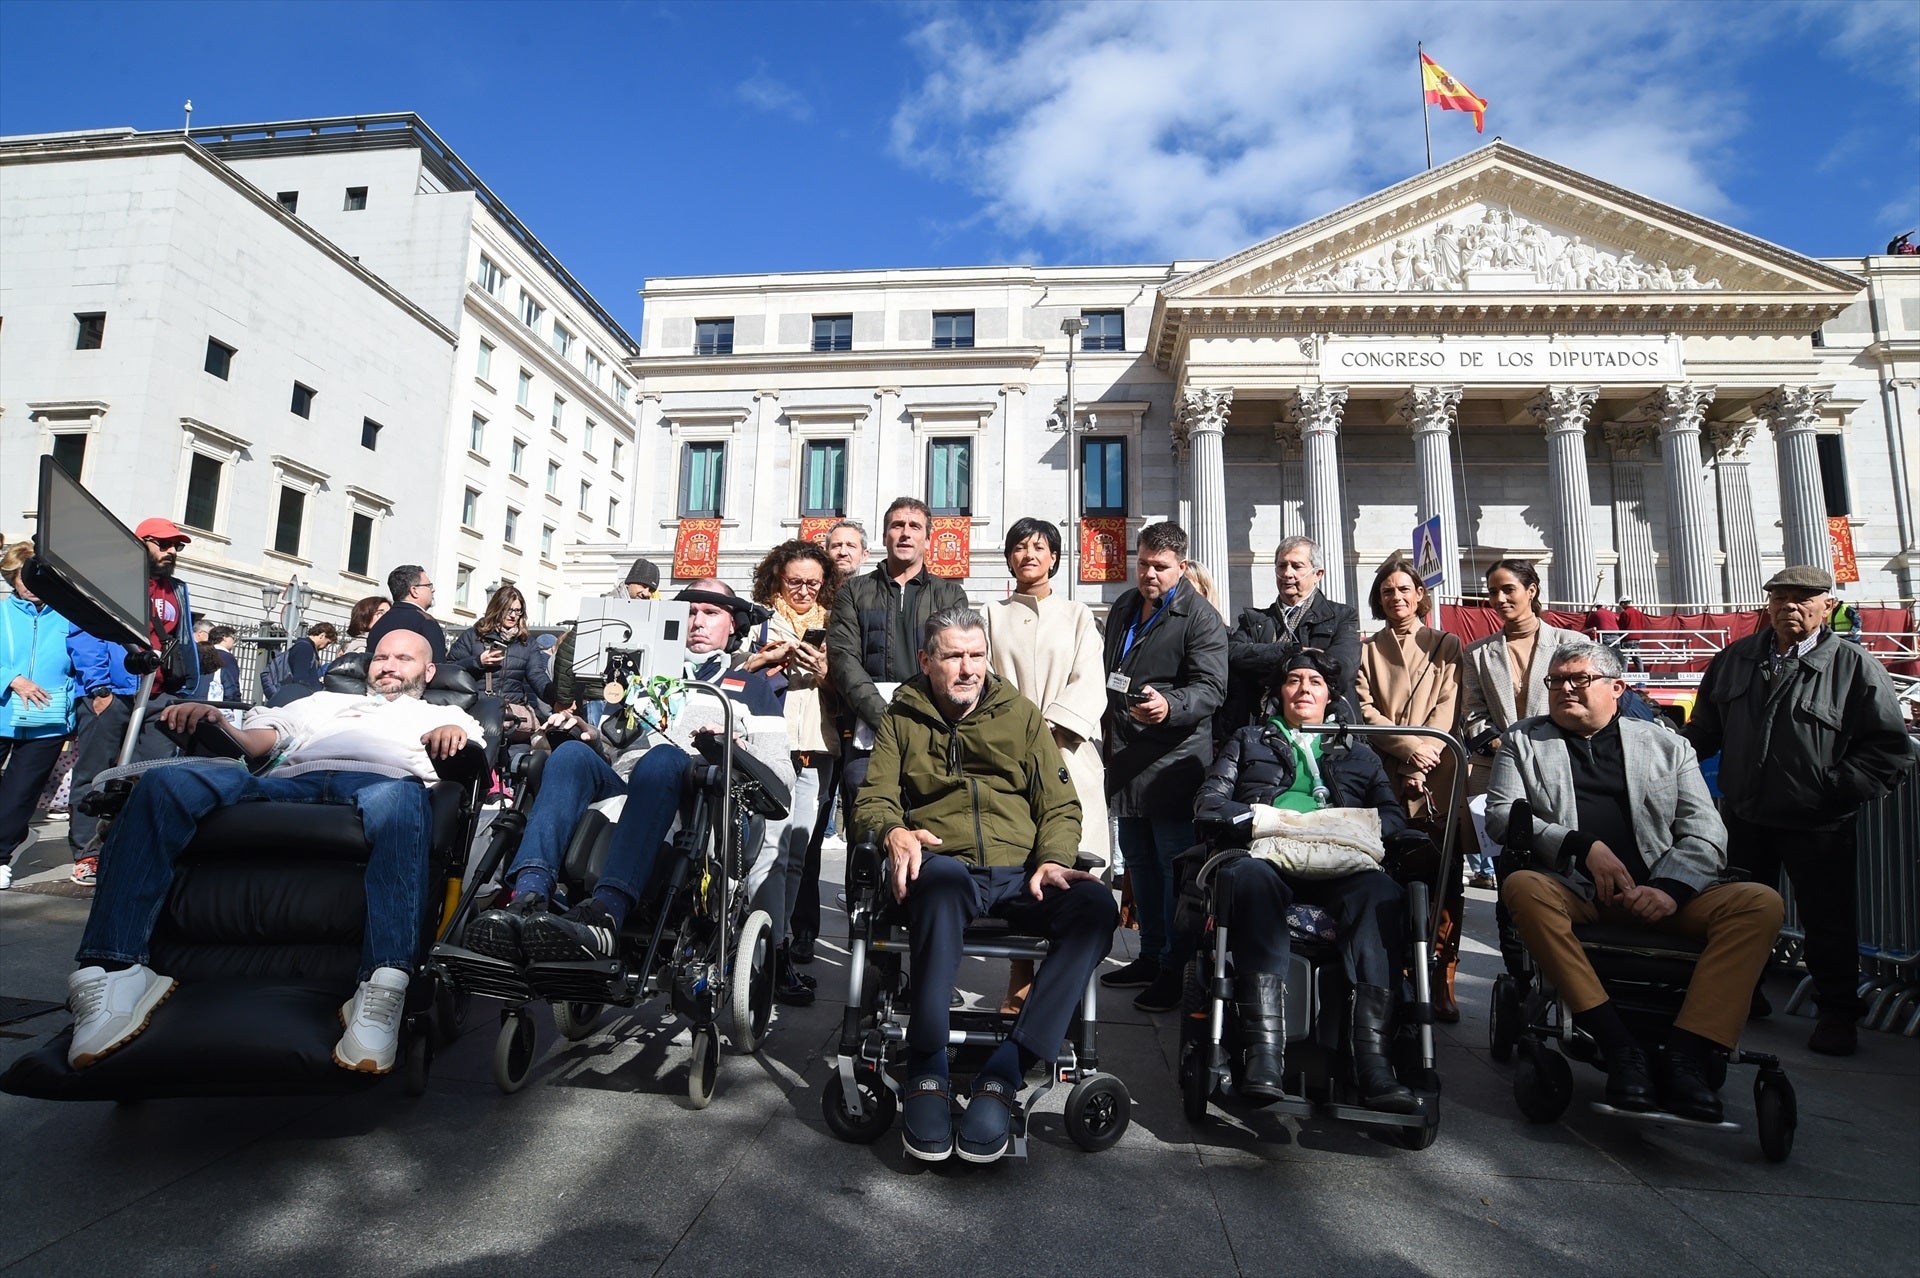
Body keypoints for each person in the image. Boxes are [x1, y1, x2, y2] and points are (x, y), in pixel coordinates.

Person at [63, 629, 482, 1074]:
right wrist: (215, 722)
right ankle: (113, 969)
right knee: (164, 784)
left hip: (382, 784)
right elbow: (254, 745)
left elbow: (465, 747)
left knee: (405, 802)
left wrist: (452, 731)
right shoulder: (320, 702)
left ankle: (383, 982)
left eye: (404, 658)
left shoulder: (445, 713)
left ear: (429, 671)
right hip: (286, 782)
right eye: (381, 656)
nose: (389, 665)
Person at [854, 606, 1113, 1164]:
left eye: (976, 655)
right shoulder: (902, 716)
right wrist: (893, 831)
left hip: (1021, 873)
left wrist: (1053, 859)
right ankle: (927, 1066)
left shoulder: (1018, 715)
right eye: (953, 656)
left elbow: (1061, 804)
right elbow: (872, 800)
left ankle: (1008, 1070)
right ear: (926, 661)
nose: (968, 668)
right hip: (943, 868)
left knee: (1094, 907)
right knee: (941, 880)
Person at [1488, 642, 1785, 1122]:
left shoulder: (1667, 745)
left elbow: (1707, 833)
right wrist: (1580, 845)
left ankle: (1688, 1053)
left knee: (1761, 903)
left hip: (1663, 894)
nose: (1564, 689)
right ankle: (1618, 1043)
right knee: (1522, 886)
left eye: (1578, 679)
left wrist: (1669, 888)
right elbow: (1503, 816)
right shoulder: (1524, 742)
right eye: (1557, 681)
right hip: (1576, 891)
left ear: (1616, 688)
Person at [464, 580, 792, 965]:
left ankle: (607, 912)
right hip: (623, 784)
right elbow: (608, 748)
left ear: (733, 625)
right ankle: (527, 898)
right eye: (687, 612)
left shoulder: (750, 689)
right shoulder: (638, 679)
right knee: (570, 754)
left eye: (710, 613)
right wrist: (582, 733)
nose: (696, 622)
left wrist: (735, 745)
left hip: (696, 797)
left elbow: (781, 774)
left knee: (664, 759)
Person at [1685, 565, 1916, 1056]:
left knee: (1827, 921)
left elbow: (1889, 747)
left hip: (1819, 820)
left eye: (1804, 598)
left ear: (1826, 607)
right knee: (1738, 914)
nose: (1791, 605)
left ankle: (1837, 1012)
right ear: (1767, 605)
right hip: (1746, 814)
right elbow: (1702, 733)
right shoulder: (1734, 660)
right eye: (1782, 597)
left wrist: (1835, 789)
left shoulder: (1853, 665)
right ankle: (1743, 995)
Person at [1196, 651, 1420, 1112]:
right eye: (1293, 680)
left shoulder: (1359, 751)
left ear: (1330, 696)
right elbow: (1210, 803)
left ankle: (1373, 1063)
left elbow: (1392, 816)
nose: (1303, 689)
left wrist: (1343, 827)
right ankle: (1264, 1056)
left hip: (1345, 865)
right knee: (1250, 880)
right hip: (1269, 857)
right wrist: (1266, 819)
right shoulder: (1248, 740)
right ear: (1279, 692)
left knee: (1382, 893)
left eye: (1315, 682)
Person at [1100, 521, 1229, 1013]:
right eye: (1143, 563)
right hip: (1128, 758)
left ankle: (1176, 967)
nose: (1149, 573)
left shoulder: (1200, 617)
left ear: (1181, 567)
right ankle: (1150, 955)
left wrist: (1170, 704)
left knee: (1174, 868)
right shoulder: (1125, 607)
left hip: (1174, 761)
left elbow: (1212, 688)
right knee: (1138, 864)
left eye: (1160, 566)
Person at [984, 518, 1110, 1014]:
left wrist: (1053, 729)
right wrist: (1017, 733)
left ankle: (1065, 985)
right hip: (1008, 757)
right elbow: (986, 680)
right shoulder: (990, 615)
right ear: (1010, 558)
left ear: (1055, 557)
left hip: (1069, 753)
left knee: (1074, 864)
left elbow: (1089, 680)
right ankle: (1018, 979)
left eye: (1039, 547)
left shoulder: (1078, 615)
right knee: (1019, 863)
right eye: (1019, 547)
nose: (1029, 554)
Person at [1355, 556, 1466, 1021]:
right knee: (1388, 874)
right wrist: (1406, 752)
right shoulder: (1366, 649)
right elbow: (1363, 709)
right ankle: (1396, 969)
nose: (1396, 598)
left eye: (1404, 589)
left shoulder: (1446, 644)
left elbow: (1449, 705)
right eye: (1387, 592)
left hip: (1438, 774)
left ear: (1420, 594)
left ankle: (1442, 976)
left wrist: (1427, 755)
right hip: (1386, 772)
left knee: (1444, 879)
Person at [66, 517, 200, 884]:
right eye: (164, 543)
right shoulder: (112, 577)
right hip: (113, 691)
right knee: (95, 775)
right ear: (141, 542)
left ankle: (128, 845)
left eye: (178, 546)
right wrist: (98, 687)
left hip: (158, 695)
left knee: (149, 776)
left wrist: (182, 685)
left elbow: (181, 636)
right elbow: (85, 631)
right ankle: (87, 853)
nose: (172, 552)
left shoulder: (178, 589)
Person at [744, 539, 844, 1002]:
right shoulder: (757, 619)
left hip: (816, 749)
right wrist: (766, 660)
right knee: (769, 854)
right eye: (794, 581)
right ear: (777, 579)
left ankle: (776, 950)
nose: (804, 590)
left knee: (798, 856)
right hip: (767, 746)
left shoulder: (835, 622)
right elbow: (728, 674)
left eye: (813, 582)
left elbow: (845, 687)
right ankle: (763, 956)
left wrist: (824, 670)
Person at [826, 497, 967, 824]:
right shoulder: (854, 592)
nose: (905, 533)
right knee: (867, 841)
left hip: (932, 734)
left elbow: (953, 662)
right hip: (866, 737)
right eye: (897, 526)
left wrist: (919, 717)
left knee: (929, 838)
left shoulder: (950, 595)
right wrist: (886, 718)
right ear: (885, 537)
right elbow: (845, 661)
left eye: (914, 526)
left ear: (927, 539)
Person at [1460, 560, 1582, 896]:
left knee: (1563, 875)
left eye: (1508, 589)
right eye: (1492, 592)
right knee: (1510, 881)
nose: (1499, 598)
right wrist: (1504, 745)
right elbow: (1472, 712)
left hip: (1562, 768)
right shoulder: (1478, 653)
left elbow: (1585, 703)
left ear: (1531, 590)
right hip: (1500, 773)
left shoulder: (1569, 643)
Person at [1221, 536, 1361, 741]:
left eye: (1297, 566)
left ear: (1318, 574)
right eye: (1281, 566)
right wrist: (1292, 652)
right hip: (1262, 733)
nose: (1288, 573)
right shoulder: (1254, 620)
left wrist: (1265, 660)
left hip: (1326, 732)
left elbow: (1342, 669)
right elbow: (1233, 655)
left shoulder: (1342, 616)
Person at [2, 540, 81, 890]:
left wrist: (77, 714)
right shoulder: (1, 613)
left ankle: (1, 858)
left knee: (21, 794)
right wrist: (12, 679)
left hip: (47, 720)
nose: (31, 585)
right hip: (2, 711)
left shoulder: (71, 617)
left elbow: (81, 666)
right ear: (12, 579)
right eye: (23, 577)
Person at [447, 585, 546, 738]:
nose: (513, 615)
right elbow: (449, 669)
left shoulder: (527, 643)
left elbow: (537, 676)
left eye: (517, 611)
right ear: (497, 608)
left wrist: (556, 697)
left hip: (511, 715)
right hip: (476, 711)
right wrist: (478, 662)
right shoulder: (473, 636)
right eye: (508, 609)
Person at [365, 564, 446, 663]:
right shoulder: (425, 622)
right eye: (429, 585)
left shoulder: (379, 623)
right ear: (414, 591)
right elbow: (437, 667)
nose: (433, 589)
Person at [273, 622, 338, 698]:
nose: (326, 646)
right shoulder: (305, 648)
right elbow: (300, 679)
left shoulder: (307, 647)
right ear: (322, 636)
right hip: (300, 698)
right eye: (327, 643)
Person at [335, 595, 392, 660]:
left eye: (389, 613)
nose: (387, 617)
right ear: (364, 617)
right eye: (380, 613)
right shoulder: (362, 650)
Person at [201, 625, 241, 701]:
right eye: (233, 638)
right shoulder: (227, 657)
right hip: (222, 701)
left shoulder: (202, 652)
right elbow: (233, 681)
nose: (233, 641)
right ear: (224, 638)